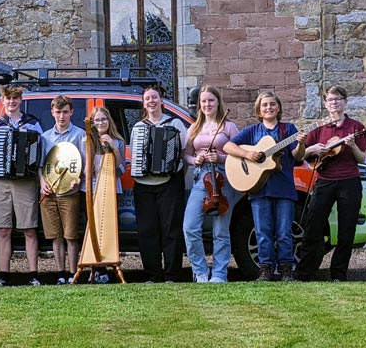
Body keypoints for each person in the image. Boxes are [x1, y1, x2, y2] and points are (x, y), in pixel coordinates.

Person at [223, 91, 306, 282]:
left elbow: (298, 156)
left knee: (284, 232)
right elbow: (228, 147)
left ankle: (286, 270)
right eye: (265, 105)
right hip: (259, 189)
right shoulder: (253, 131)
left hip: (284, 188)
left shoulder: (288, 130)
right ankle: (266, 269)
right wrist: (247, 154)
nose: (269, 108)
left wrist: (301, 144)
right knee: (262, 231)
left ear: (278, 108)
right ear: (259, 111)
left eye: (272, 104)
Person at [295, 86, 366, 282]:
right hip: (324, 181)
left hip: (349, 181)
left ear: (345, 101)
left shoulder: (356, 127)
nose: (334, 102)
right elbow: (302, 154)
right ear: (325, 104)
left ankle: (338, 274)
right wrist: (313, 148)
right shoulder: (319, 127)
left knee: (346, 230)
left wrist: (352, 146)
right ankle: (304, 273)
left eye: (338, 99)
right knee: (313, 227)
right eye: (330, 99)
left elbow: (362, 159)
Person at [0, 84, 44, 287]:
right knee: (3, 230)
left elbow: (40, 152)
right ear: (3, 101)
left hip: (25, 181)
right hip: (2, 181)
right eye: (8, 99)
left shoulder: (32, 124)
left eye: (15, 99)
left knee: (29, 228)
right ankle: (4, 276)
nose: (11, 102)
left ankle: (33, 275)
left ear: (20, 100)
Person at [130, 85, 187, 283]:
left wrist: (175, 170)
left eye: (154, 97)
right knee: (147, 231)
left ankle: (172, 274)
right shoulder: (139, 127)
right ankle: (152, 275)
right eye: (147, 99)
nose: (151, 101)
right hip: (144, 184)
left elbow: (184, 153)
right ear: (143, 103)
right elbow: (136, 155)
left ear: (161, 100)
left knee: (171, 230)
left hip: (169, 182)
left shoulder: (176, 124)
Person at [182, 86, 239, 283]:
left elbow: (239, 154)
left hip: (225, 178)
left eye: (211, 101)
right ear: (200, 104)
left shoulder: (229, 127)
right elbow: (187, 154)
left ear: (218, 102)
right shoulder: (194, 127)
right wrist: (195, 160)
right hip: (202, 178)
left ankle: (219, 274)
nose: (207, 104)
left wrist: (221, 157)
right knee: (190, 227)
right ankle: (199, 272)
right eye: (204, 101)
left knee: (221, 230)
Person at [39, 95, 86, 285]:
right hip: (49, 194)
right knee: (55, 236)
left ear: (71, 112)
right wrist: (42, 183)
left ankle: (73, 274)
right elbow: (40, 166)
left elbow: (85, 165)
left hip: (70, 194)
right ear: (52, 112)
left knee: (71, 235)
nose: (61, 116)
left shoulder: (80, 135)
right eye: (58, 112)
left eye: (65, 112)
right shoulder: (45, 137)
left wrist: (78, 179)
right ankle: (60, 273)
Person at [81, 106, 126, 284]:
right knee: (93, 228)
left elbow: (120, 170)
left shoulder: (118, 141)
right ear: (92, 123)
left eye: (103, 119)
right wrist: (90, 147)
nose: (100, 123)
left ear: (109, 121)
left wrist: (114, 148)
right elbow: (87, 170)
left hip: (112, 188)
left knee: (108, 230)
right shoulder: (87, 141)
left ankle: (106, 265)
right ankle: (97, 269)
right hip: (91, 189)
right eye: (97, 120)